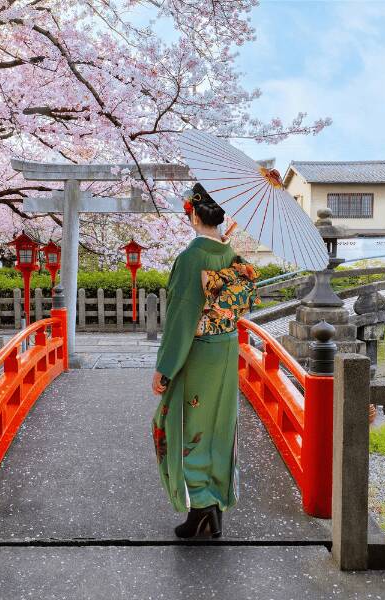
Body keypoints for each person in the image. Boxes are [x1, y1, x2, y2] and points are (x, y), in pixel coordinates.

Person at [151, 183, 259, 539]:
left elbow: (182, 319)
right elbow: (241, 301)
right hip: (226, 348)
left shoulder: (191, 258)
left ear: (194, 213)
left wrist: (164, 369)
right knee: (218, 425)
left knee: (184, 422)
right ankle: (214, 501)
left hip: (196, 353)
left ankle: (202, 503)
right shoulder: (230, 256)